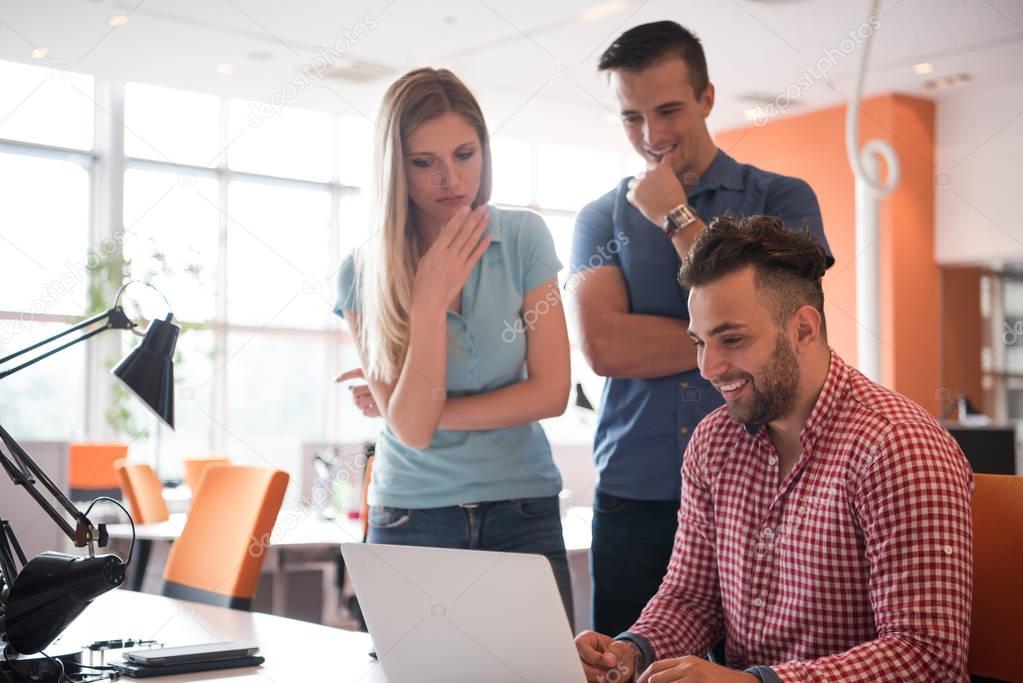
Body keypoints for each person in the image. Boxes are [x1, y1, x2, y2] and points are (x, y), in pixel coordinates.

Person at [574, 215, 973, 682]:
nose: (707, 367)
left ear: (803, 329)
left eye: (732, 339)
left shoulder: (898, 447)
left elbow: (927, 656)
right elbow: (692, 598)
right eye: (700, 343)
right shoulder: (713, 442)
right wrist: (630, 652)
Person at [569, 20, 833, 637]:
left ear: (707, 98)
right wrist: (739, 337)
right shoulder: (598, 218)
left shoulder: (783, 199)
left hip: (766, 482)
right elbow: (605, 348)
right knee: (625, 663)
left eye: (668, 111)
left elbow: (791, 328)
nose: (652, 136)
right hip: (637, 490)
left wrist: (676, 217)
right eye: (632, 118)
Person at [333, 67, 574, 624]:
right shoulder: (362, 272)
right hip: (412, 518)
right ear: (396, 167)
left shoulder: (523, 238)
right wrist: (427, 300)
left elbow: (552, 393)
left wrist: (419, 409)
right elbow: (411, 433)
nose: (451, 178)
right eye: (425, 163)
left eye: (465, 154)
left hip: (522, 506)